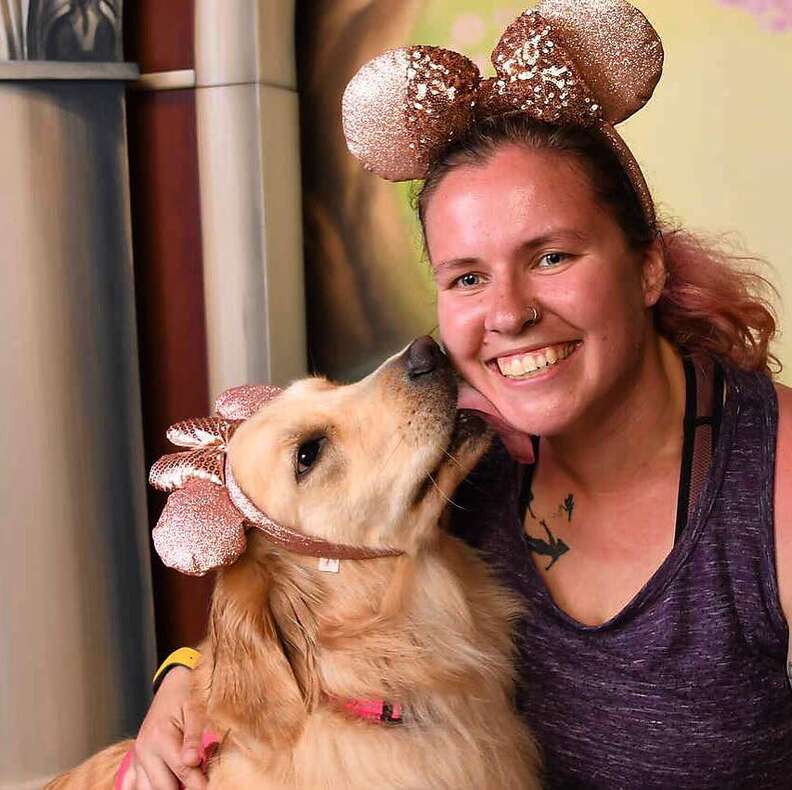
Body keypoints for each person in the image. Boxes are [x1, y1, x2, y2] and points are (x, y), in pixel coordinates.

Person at [123, 8, 792, 790]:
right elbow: (306, 597)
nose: (507, 314)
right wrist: (184, 674)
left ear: (648, 268)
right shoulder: (458, 459)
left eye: (551, 256)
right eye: (468, 277)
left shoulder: (771, 489)